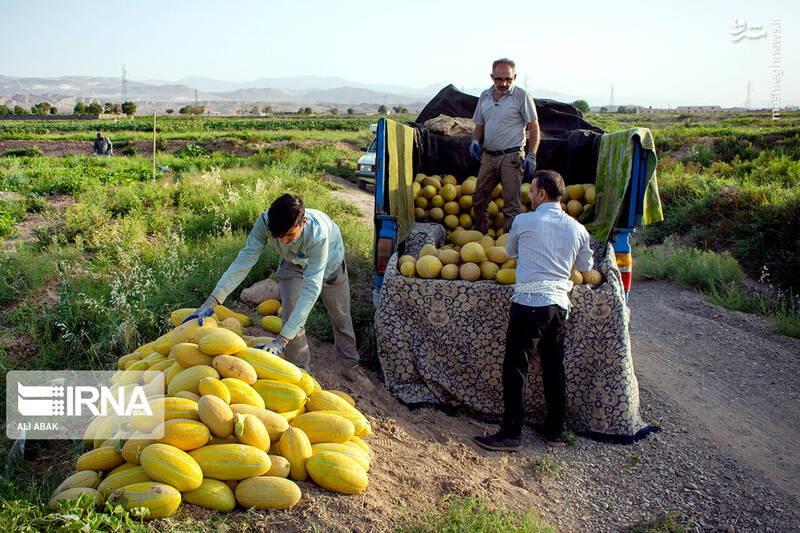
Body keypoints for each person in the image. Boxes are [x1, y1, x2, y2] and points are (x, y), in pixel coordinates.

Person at [183, 194, 365, 381]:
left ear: (303, 221)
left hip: (330, 266)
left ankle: (350, 364)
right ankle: (300, 372)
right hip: (292, 263)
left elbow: (311, 288)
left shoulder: (318, 237)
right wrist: (214, 299)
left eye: (289, 235)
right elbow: (245, 259)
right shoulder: (266, 221)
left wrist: (282, 340)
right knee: (290, 312)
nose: (284, 241)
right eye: (278, 236)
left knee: (340, 315)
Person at [474, 170, 593, 451]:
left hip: (529, 304)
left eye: (532, 189)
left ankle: (512, 433)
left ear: (542, 194)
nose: (528, 193)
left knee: (516, 367)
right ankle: (554, 429)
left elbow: (511, 252)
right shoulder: (578, 229)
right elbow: (586, 267)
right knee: (554, 368)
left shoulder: (524, 221)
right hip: (558, 306)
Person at [470, 58, 540, 234]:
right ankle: (482, 238)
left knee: (511, 205)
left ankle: (509, 245)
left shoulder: (521, 96)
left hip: (512, 157)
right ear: (492, 77)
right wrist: (475, 141)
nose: (504, 83)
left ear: (515, 77)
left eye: (508, 79)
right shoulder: (485, 96)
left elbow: (534, 127)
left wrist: (532, 155)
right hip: (489, 157)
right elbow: (480, 125)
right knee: (479, 199)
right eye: (499, 79)